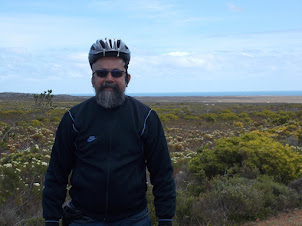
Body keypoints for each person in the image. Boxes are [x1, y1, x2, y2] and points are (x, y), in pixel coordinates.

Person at [42, 38, 176, 226]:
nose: (109, 79)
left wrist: (165, 218)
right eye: (102, 73)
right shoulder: (74, 118)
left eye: (116, 73)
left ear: (127, 78)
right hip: (83, 219)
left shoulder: (146, 118)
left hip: (134, 219)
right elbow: (57, 173)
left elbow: (162, 173)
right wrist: (51, 219)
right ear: (93, 79)